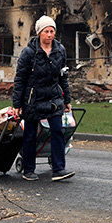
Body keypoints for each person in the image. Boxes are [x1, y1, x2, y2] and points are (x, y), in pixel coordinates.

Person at [12, 15, 74, 181]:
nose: (49, 34)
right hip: (33, 98)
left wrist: (67, 100)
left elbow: (63, 77)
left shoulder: (60, 50)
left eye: (52, 31)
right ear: (39, 32)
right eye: (46, 31)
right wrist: (17, 104)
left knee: (57, 131)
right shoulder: (28, 53)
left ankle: (59, 169)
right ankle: (29, 170)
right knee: (31, 135)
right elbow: (20, 79)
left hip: (53, 98)